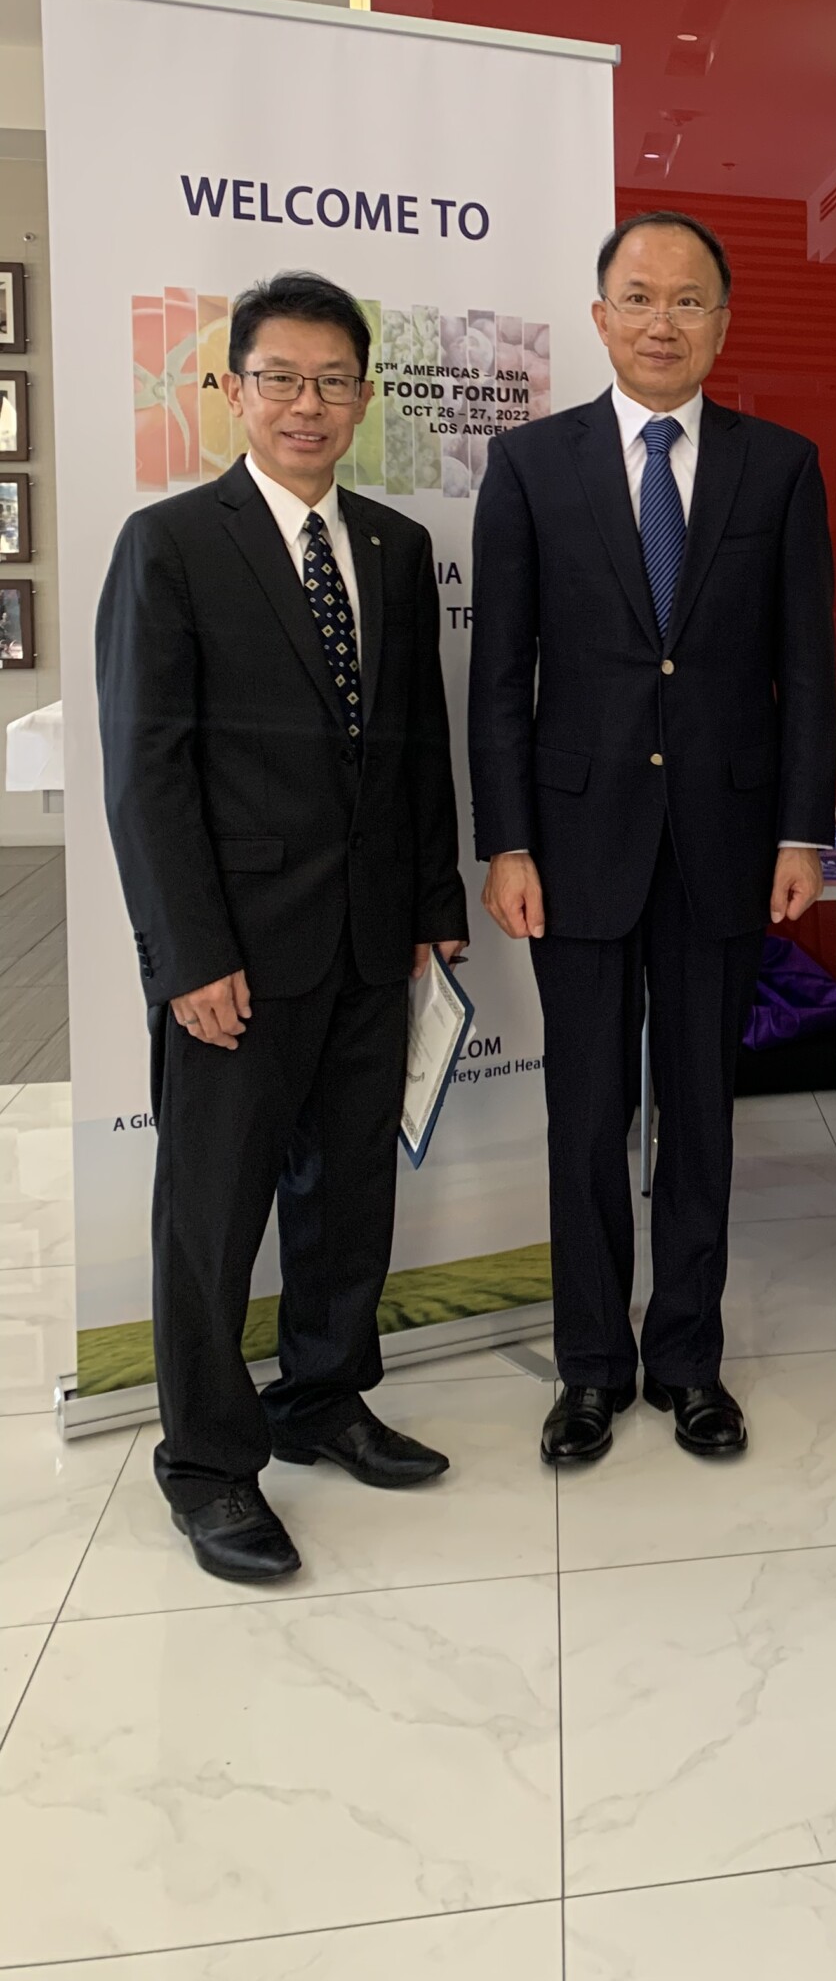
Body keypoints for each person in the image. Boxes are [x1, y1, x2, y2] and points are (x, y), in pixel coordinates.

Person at [96, 272, 469, 1584]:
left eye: (332, 382)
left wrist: (432, 908)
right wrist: (188, 956)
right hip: (236, 960)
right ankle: (208, 1464)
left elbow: (415, 744)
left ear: (362, 397)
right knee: (211, 1218)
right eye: (281, 379)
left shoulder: (395, 548)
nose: (308, 404)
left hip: (370, 941)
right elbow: (146, 774)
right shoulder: (170, 544)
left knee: (349, 1193)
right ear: (233, 390)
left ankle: (322, 1396)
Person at [470, 211, 836, 1468]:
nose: (663, 321)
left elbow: (806, 668)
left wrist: (802, 830)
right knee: (584, 1115)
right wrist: (507, 843)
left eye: (689, 300)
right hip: (574, 845)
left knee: (701, 1114)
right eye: (639, 297)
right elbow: (499, 674)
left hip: (726, 840)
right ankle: (589, 1366)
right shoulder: (531, 465)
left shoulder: (780, 467)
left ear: (723, 323)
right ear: (600, 317)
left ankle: (687, 1358)